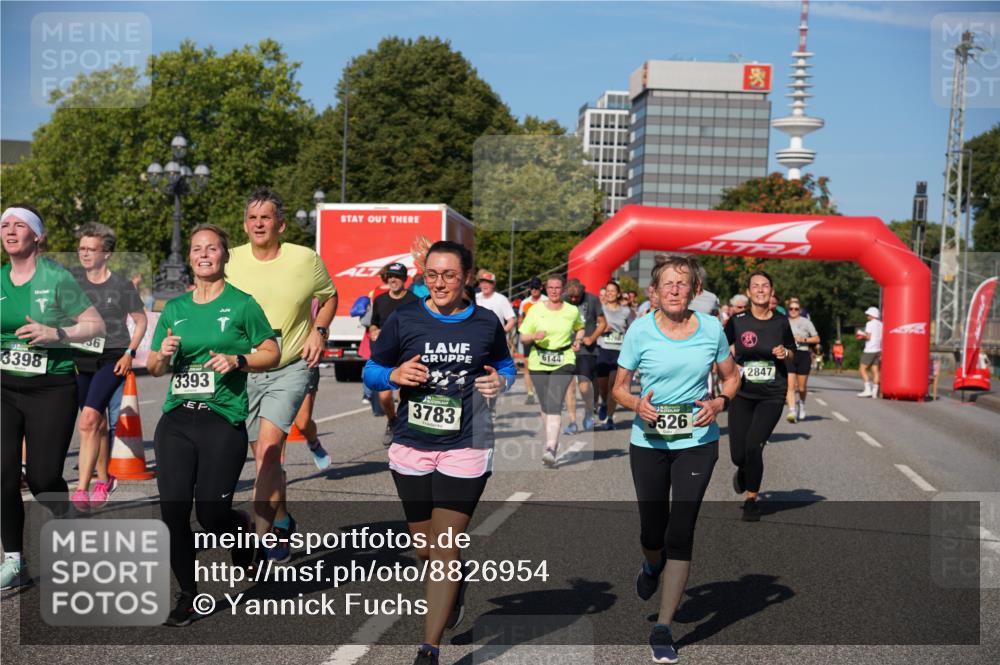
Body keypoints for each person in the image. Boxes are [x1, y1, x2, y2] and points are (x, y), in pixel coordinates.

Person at [362, 241, 515, 665]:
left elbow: (505, 366)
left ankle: (429, 647)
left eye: (449, 275)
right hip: (412, 443)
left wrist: (501, 383)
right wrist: (392, 373)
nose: (440, 283)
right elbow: (372, 370)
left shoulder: (485, 324)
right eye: (432, 275)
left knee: (445, 546)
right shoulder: (405, 317)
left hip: (467, 443)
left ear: (467, 277)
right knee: (425, 549)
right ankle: (458, 581)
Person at [147, 224, 279, 626]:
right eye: (196, 249)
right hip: (177, 418)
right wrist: (164, 354)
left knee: (210, 514)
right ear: (189, 257)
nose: (204, 254)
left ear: (224, 256)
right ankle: (188, 594)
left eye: (212, 249)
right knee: (173, 513)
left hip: (222, 419)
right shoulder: (174, 308)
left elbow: (271, 351)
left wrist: (238, 360)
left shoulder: (242, 304)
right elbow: (153, 367)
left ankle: (239, 531)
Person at [611, 255, 738, 665]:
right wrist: (636, 405)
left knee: (680, 530)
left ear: (695, 291)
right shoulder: (640, 330)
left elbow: (731, 376)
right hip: (648, 441)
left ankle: (663, 626)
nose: (675, 290)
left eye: (683, 284)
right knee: (653, 533)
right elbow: (619, 388)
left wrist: (720, 400)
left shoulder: (712, 329)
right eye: (667, 283)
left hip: (698, 440)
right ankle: (651, 567)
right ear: (655, 291)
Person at [226, 188, 338, 562]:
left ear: (281, 224)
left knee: (269, 453)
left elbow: (330, 295)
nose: (259, 224)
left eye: (266, 217)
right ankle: (283, 520)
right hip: (242, 369)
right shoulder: (230, 260)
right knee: (263, 457)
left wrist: (318, 331)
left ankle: (260, 540)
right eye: (253, 218)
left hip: (289, 367)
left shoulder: (304, 259)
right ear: (245, 224)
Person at [1, 204, 106, 591]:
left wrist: (56, 334)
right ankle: (14, 560)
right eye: (4, 225)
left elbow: (95, 325)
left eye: (19, 225)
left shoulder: (57, 278)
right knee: (3, 474)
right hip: (4, 387)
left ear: (37, 236)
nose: (10, 231)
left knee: (43, 477)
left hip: (52, 388)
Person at [69, 223, 148, 511]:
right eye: (82, 248)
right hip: (80, 359)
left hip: (112, 357)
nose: (85, 254)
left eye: (92, 249)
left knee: (89, 420)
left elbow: (140, 321)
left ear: (108, 253)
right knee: (96, 423)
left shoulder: (121, 285)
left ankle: (82, 489)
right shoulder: (73, 283)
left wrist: (130, 352)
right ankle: (105, 479)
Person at [725, 270, 796, 523]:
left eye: (765, 285)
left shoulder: (780, 322)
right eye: (755, 286)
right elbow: (721, 347)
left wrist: (784, 353)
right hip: (742, 392)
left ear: (772, 291)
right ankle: (743, 469)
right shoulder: (737, 320)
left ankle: (751, 499)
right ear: (748, 292)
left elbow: (792, 353)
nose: (760, 289)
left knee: (754, 446)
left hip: (772, 394)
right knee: (737, 454)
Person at [519, 274, 584, 467]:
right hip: (539, 360)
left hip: (564, 359)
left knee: (554, 402)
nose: (554, 291)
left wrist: (578, 340)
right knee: (545, 404)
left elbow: (580, 328)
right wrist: (533, 336)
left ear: (562, 289)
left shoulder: (571, 311)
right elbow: (522, 337)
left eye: (557, 288)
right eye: (551, 288)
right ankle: (552, 438)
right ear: (547, 289)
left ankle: (550, 447)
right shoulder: (535, 309)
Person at [370, 262, 420, 445]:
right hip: (386, 353)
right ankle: (392, 421)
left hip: (406, 352)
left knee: (403, 394)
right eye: (390, 276)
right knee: (384, 396)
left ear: (405, 280)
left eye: (397, 277)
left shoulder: (414, 301)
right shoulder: (380, 300)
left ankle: (405, 428)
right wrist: (374, 331)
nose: (393, 279)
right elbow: (373, 323)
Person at [563, 278, 606, 434]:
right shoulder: (562, 300)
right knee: (569, 386)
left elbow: (602, 323)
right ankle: (572, 422)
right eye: (571, 297)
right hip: (566, 349)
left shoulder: (592, 300)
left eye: (576, 297)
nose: (573, 300)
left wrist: (591, 338)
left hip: (586, 350)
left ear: (582, 291)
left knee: (584, 385)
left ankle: (589, 411)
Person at [596, 280, 635, 431]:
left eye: (613, 291)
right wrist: (602, 329)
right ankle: (604, 403)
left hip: (619, 351)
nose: (610, 293)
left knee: (614, 385)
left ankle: (610, 417)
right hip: (602, 349)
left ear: (618, 293)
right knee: (602, 386)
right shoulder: (600, 309)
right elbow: (593, 325)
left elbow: (633, 328)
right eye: (608, 291)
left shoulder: (626, 311)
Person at [786, 299, 819, 422]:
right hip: (789, 354)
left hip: (803, 354)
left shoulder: (806, 322)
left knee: (801, 388)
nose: (793, 311)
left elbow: (817, 338)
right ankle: (792, 411)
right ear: (788, 310)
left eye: (796, 309)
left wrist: (803, 340)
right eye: (791, 309)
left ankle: (802, 404)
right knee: (790, 386)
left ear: (800, 310)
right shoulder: (784, 322)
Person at [517, 277, 546, 405]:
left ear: (541, 288)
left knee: (544, 366)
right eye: (532, 288)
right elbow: (520, 319)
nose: (534, 290)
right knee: (528, 366)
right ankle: (530, 393)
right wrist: (521, 331)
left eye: (537, 288)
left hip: (544, 338)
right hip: (529, 337)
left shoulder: (546, 300)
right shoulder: (525, 303)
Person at [856, 306, 882, 398]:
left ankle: (868, 390)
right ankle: (875, 391)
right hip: (878, 349)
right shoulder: (880, 324)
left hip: (870, 349)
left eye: (868, 315)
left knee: (862, 368)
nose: (867, 316)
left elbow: (868, 337)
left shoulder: (870, 324)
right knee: (875, 370)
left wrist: (861, 335)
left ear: (872, 315)